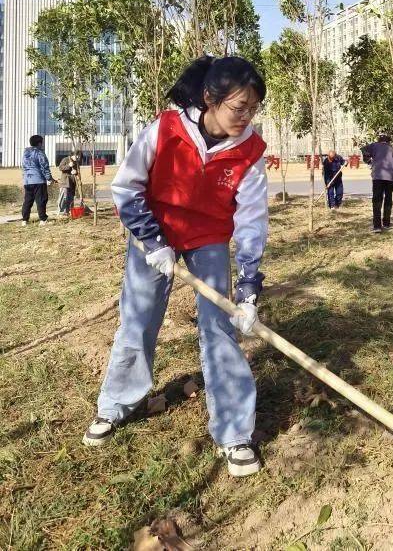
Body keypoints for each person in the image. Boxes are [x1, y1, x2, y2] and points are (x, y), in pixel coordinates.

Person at [82, 56, 269, 478]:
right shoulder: (165, 129)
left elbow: (252, 219)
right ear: (210, 99)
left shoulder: (251, 150)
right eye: (238, 107)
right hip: (155, 232)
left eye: (253, 109)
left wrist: (249, 286)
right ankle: (117, 405)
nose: (246, 117)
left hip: (209, 239)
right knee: (138, 319)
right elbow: (126, 187)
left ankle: (235, 432)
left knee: (218, 326)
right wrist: (153, 242)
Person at [361, 134, 393, 233]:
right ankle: (386, 223)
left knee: (377, 201)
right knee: (388, 200)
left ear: (379, 140)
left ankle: (377, 226)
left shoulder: (374, 145)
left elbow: (363, 148)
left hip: (378, 176)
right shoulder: (392, 148)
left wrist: (368, 160)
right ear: (388, 141)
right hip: (391, 177)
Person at [21, 134, 56, 226]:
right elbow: (44, 167)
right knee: (41, 200)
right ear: (40, 143)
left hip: (27, 180)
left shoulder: (25, 153)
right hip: (38, 180)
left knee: (28, 200)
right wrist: (50, 178)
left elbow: (24, 167)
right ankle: (43, 220)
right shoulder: (40, 153)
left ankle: (24, 220)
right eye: (42, 143)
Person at [58, 150, 82, 217]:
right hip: (65, 182)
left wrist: (76, 172)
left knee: (70, 198)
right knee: (63, 198)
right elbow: (60, 168)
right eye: (76, 156)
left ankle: (69, 211)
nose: (77, 157)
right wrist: (68, 165)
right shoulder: (65, 159)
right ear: (72, 155)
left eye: (78, 156)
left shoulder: (77, 162)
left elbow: (78, 172)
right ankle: (62, 212)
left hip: (72, 183)